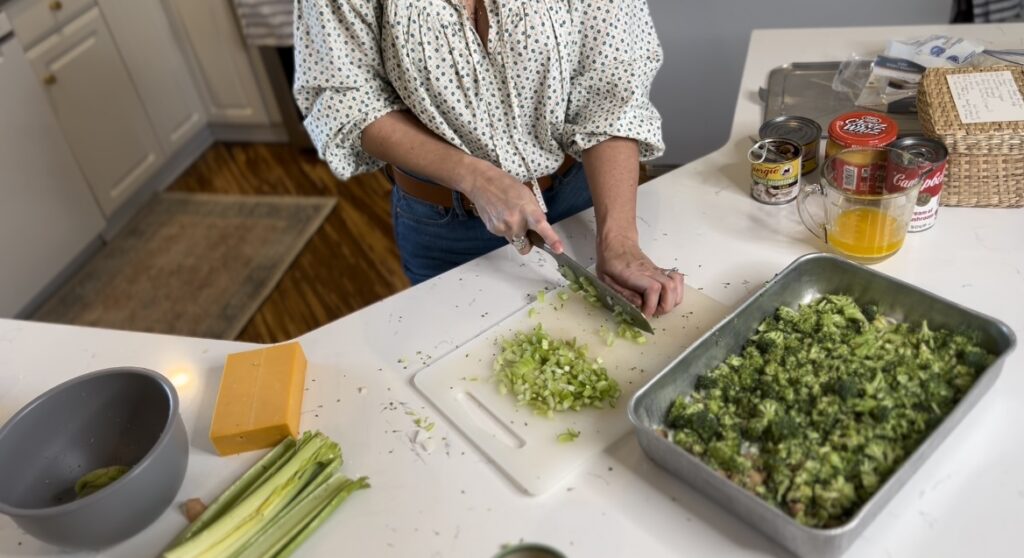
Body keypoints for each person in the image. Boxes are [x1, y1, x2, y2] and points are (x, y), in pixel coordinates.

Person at [293, 0, 684, 318]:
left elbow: (610, 91)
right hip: (445, 228)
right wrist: (475, 178)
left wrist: (619, 240)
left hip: (583, 203)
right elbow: (345, 98)